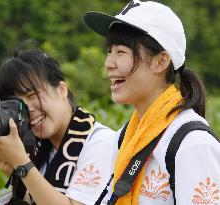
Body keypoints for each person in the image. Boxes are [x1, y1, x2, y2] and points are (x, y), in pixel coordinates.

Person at [83, 0, 220, 204]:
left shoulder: (193, 145)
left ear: (161, 62)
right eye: (109, 51)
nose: (109, 64)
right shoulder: (124, 137)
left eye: (120, 52)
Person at [0, 49, 117, 205]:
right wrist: (12, 170)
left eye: (32, 96)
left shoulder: (100, 142)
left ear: (61, 90)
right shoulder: (40, 149)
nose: (27, 109)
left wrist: (21, 162)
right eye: (16, 105)